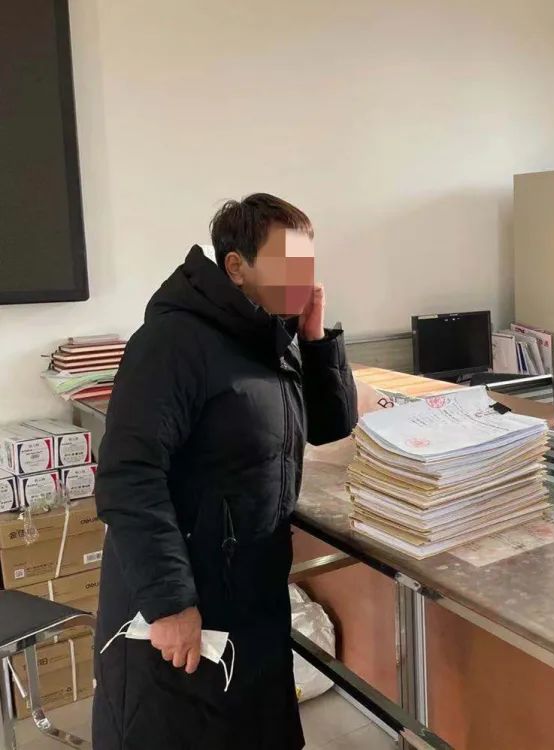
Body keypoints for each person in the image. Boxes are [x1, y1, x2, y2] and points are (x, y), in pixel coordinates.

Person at [93, 193, 358, 749]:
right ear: (236, 266)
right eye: (288, 264)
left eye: (308, 264)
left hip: (254, 593)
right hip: (188, 599)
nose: (303, 279)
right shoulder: (172, 343)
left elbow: (330, 427)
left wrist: (315, 343)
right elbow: (129, 476)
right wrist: (169, 603)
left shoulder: (271, 339)